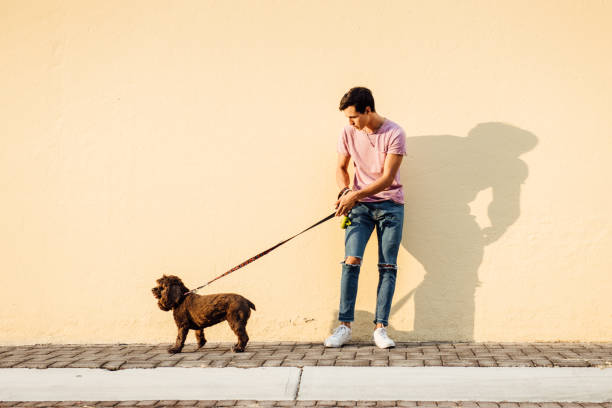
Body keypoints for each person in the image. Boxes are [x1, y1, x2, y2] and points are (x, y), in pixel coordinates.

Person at [325, 87, 406, 349]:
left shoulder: (394, 133)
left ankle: (380, 328)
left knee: (388, 266)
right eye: (348, 119)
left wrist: (354, 195)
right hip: (359, 205)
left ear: (368, 110)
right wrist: (346, 192)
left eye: (353, 118)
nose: (350, 123)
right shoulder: (348, 132)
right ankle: (344, 326)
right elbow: (340, 168)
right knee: (351, 260)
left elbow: (386, 179)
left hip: (390, 206)